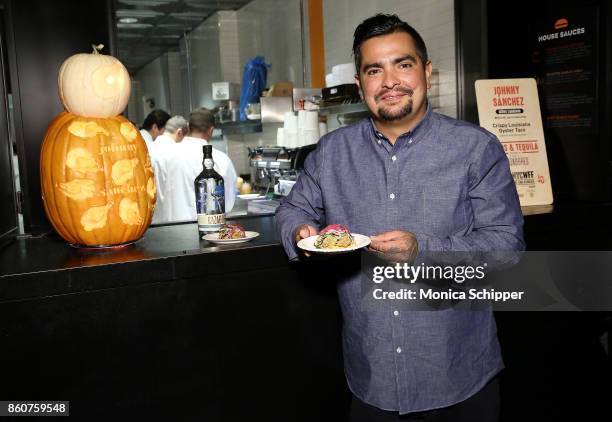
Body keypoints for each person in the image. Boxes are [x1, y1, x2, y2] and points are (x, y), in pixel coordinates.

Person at [275, 14, 524, 422]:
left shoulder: (475, 149)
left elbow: (506, 248)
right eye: (375, 69)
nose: (390, 81)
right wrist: (300, 232)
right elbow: (294, 209)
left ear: (426, 71)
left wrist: (421, 250)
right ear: (361, 83)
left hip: (457, 378)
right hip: (371, 379)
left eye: (403, 64)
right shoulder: (332, 152)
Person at [176, 107, 238, 219]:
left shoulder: (169, 154)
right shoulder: (221, 160)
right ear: (211, 130)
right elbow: (228, 203)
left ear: (188, 127)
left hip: (166, 229)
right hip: (208, 229)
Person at [148, 115, 189, 224]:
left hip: (150, 219)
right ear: (179, 133)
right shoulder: (177, 152)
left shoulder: (148, 148)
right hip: (173, 218)